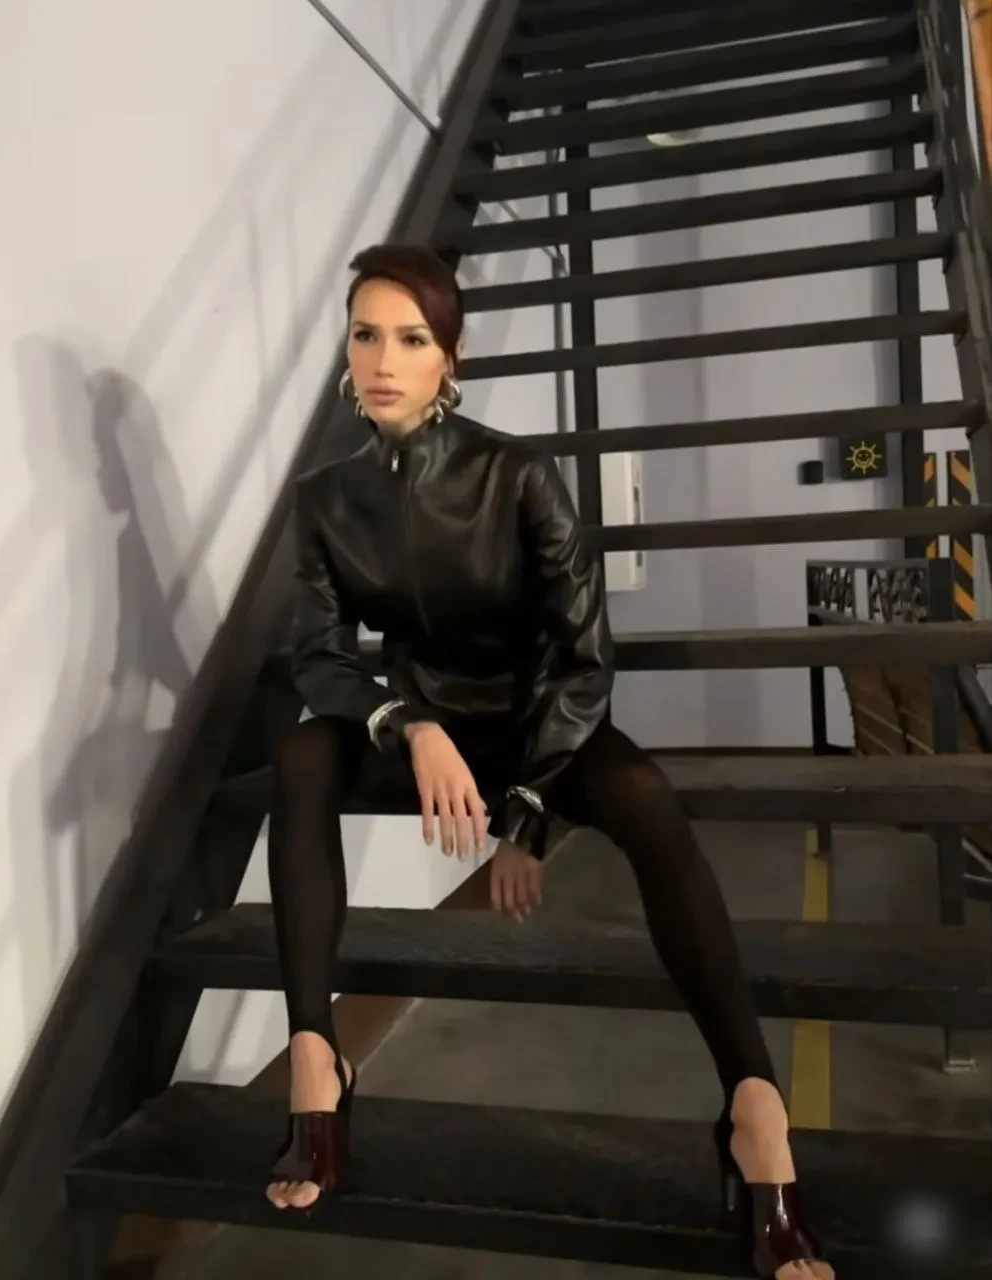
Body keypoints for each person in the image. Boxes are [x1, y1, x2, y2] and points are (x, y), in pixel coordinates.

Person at [264, 242, 834, 1280]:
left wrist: (526, 812)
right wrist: (408, 723)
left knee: (646, 797)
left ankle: (754, 1103)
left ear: (451, 358)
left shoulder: (518, 474)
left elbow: (583, 659)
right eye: (365, 335)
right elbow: (317, 655)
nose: (384, 360)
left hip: (541, 726)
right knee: (303, 757)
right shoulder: (326, 496)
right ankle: (316, 1057)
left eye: (412, 338)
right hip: (426, 729)